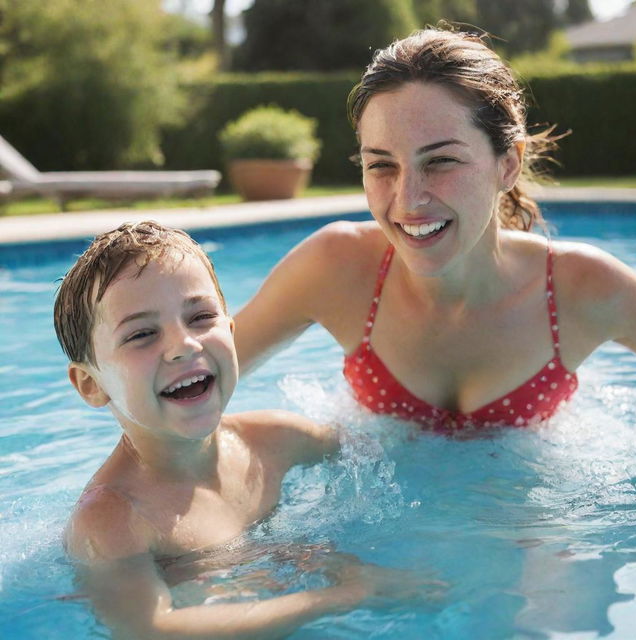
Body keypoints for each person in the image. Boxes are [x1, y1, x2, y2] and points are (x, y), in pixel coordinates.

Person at [234, 26, 636, 432]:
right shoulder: (336, 267)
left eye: (441, 161)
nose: (408, 200)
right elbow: (201, 376)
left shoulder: (582, 288)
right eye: (381, 165)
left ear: (509, 164)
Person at [54, 221, 438, 640]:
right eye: (142, 334)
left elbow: (384, 451)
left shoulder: (275, 440)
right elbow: (151, 628)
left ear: (231, 335)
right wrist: (342, 595)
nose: (184, 345)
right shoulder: (112, 520)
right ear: (91, 384)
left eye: (200, 317)